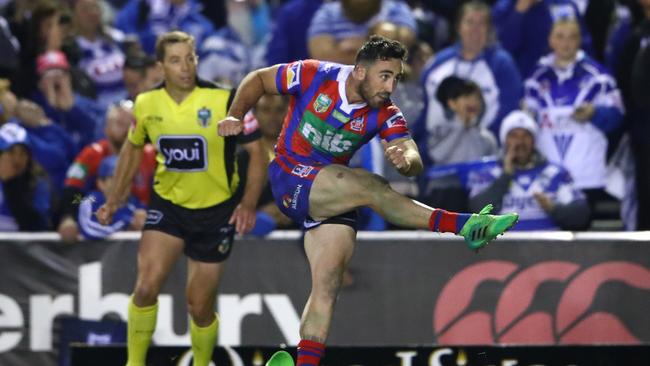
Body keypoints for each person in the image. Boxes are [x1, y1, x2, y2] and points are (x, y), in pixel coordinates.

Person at [216, 35, 519, 366]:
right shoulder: (315, 74)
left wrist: (407, 160)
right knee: (372, 186)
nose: (390, 87)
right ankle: (464, 225)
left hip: (332, 193)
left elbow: (410, 151)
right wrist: (235, 114)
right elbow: (259, 79)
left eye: (396, 78)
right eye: (385, 76)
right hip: (290, 177)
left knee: (327, 287)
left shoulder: (386, 112)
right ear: (360, 71)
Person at [96, 31, 267, 366]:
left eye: (190, 58)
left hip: (216, 212)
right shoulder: (147, 104)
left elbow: (257, 153)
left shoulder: (226, 100)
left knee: (199, 307)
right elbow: (132, 147)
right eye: (175, 60)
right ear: (160, 66)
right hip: (168, 206)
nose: (185, 67)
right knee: (145, 287)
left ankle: (201, 363)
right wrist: (115, 198)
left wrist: (247, 203)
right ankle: (134, 362)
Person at [523, 18, 624, 220]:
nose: (565, 42)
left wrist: (595, 113)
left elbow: (617, 117)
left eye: (572, 37)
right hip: (548, 176)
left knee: (582, 237)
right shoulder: (535, 78)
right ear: (551, 40)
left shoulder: (599, 77)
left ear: (580, 40)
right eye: (560, 36)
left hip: (586, 175)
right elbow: (527, 124)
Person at [467, 110, 590, 230]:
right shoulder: (486, 174)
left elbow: (581, 216)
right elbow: (477, 212)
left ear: (534, 141)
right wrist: (505, 177)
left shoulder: (556, 173)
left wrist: (554, 208)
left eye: (526, 135)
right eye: (513, 135)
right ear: (504, 141)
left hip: (548, 247)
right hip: (502, 248)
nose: (520, 142)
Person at [419, 0, 522, 139]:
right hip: (437, 154)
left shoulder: (502, 64)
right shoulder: (437, 63)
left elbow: (509, 111)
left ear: (489, 29)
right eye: (469, 22)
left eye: (481, 23)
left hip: (485, 153)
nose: (475, 29)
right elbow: (423, 111)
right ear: (459, 27)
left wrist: (483, 143)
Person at [57, 102, 156, 243]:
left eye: (132, 125)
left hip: (141, 219)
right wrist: (68, 217)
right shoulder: (92, 154)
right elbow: (72, 190)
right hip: (101, 218)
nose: (128, 130)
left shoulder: (150, 154)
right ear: (107, 128)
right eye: (121, 124)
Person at [78, 155, 146, 239]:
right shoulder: (91, 201)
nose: (123, 184)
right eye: (116, 179)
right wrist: (125, 224)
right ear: (101, 183)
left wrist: (145, 225)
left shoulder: (136, 205)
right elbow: (88, 229)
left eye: (127, 178)